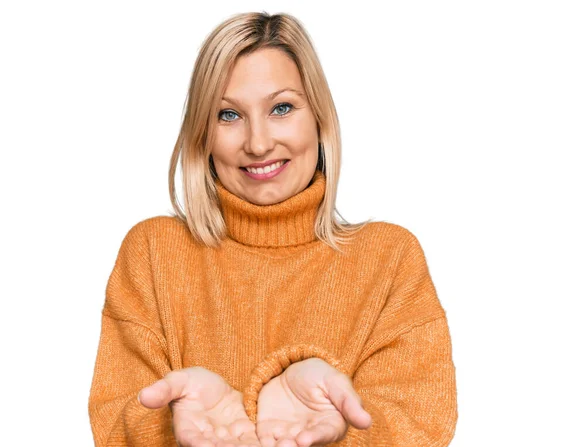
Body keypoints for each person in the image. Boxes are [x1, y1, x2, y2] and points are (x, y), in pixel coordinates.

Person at [88, 11, 458, 447]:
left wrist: (337, 429)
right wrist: (172, 424)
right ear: (201, 135)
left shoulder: (389, 258)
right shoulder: (152, 253)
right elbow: (116, 421)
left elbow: (421, 423)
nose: (258, 143)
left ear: (319, 119)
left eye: (281, 108)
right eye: (228, 115)